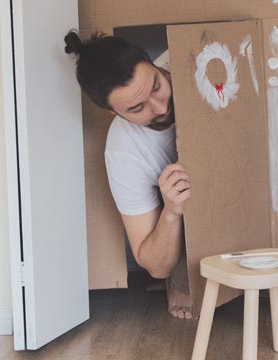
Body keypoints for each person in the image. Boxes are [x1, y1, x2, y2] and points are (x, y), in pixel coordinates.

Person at [63, 31, 194, 318]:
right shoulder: (124, 151)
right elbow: (154, 264)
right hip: (188, 205)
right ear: (113, 113)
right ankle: (184, 281)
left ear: (151, 61)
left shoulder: (192, 60)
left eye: (156, 85)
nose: (160, 107)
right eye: (137, 108)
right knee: (171, 197)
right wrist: (171, 211)